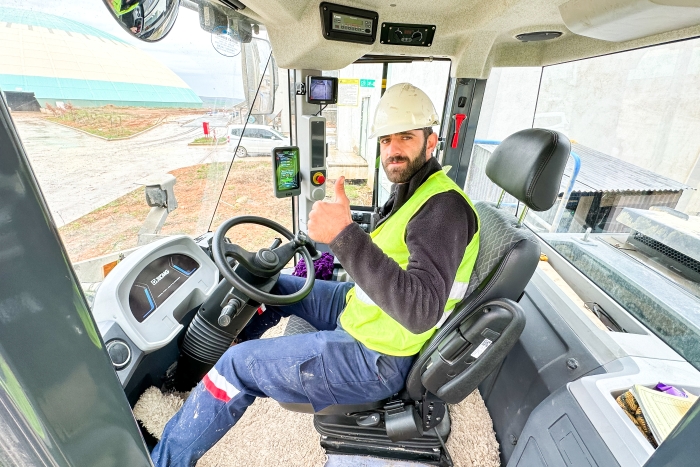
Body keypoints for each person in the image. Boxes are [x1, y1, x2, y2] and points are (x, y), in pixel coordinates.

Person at [151, 83, 480, 466]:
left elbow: (420, 311)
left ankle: (163, 459)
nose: (393, 149)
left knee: (237, 365)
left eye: (405, 137)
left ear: (431, 141)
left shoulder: (444, 208)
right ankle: (203, 382)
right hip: (366, 311)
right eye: (385, 139)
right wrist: (345, 233)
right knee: (270, 285)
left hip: (379, 356)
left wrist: (343, 234)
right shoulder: (414, 191)